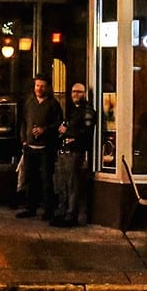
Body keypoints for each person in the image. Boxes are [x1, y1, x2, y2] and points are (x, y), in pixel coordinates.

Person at [17, 76, 63, 219]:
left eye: (42, 86)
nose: (39, 89)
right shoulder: (29, 103)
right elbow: (23, 122)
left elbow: (59, 124)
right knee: (30, 178)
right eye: (37, 85)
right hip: (30, 147)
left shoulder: (53, 104)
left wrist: (45, 130)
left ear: (47, 87)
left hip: (45, 148)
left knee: (46, 180)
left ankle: (48, 210)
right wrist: (24, 140)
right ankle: (30, 208)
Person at [52, 82, 96, 227]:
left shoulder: (87, 111)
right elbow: (62, 130)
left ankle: (71, 215)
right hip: (65, 151)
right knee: (63, 184)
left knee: (73, 185)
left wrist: (71, 135)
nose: (75, 95)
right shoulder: (72, 111)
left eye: (78, 92)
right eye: (73, 92)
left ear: (84, 94)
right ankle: (63, 212)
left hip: (75, 152)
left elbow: (87, 133)